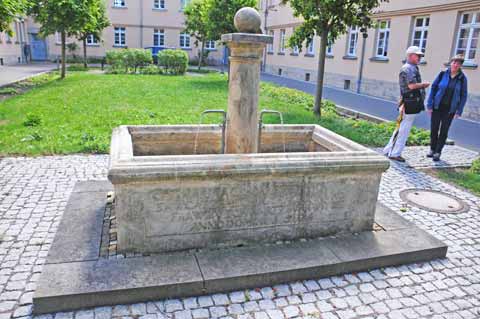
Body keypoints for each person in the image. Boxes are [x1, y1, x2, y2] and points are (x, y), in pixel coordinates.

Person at [383, 46, 430, 162]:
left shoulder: (412, 68)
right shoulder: (408, 68)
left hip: (411, 102)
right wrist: (423, 84)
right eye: (417, 55)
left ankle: (389, 150)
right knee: (402, 130)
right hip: (409, 102)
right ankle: (394, 153)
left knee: (402, 128)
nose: (419, 57)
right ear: (410, 55)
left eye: (420, 56)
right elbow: (411, 86)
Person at [426, 54, 468, 161]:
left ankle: (438, 152)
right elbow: (434, 88)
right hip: (437, 107)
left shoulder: (462, 79)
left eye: (458, 63)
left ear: (460, 66)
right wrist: (429, 104)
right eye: (454, 62)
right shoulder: (442, 74)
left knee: (444, 131)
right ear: (451, 63)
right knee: (434, 128)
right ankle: (432, 149)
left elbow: (463, 95)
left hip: (450, 110)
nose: (455, 65)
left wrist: (459, 111)